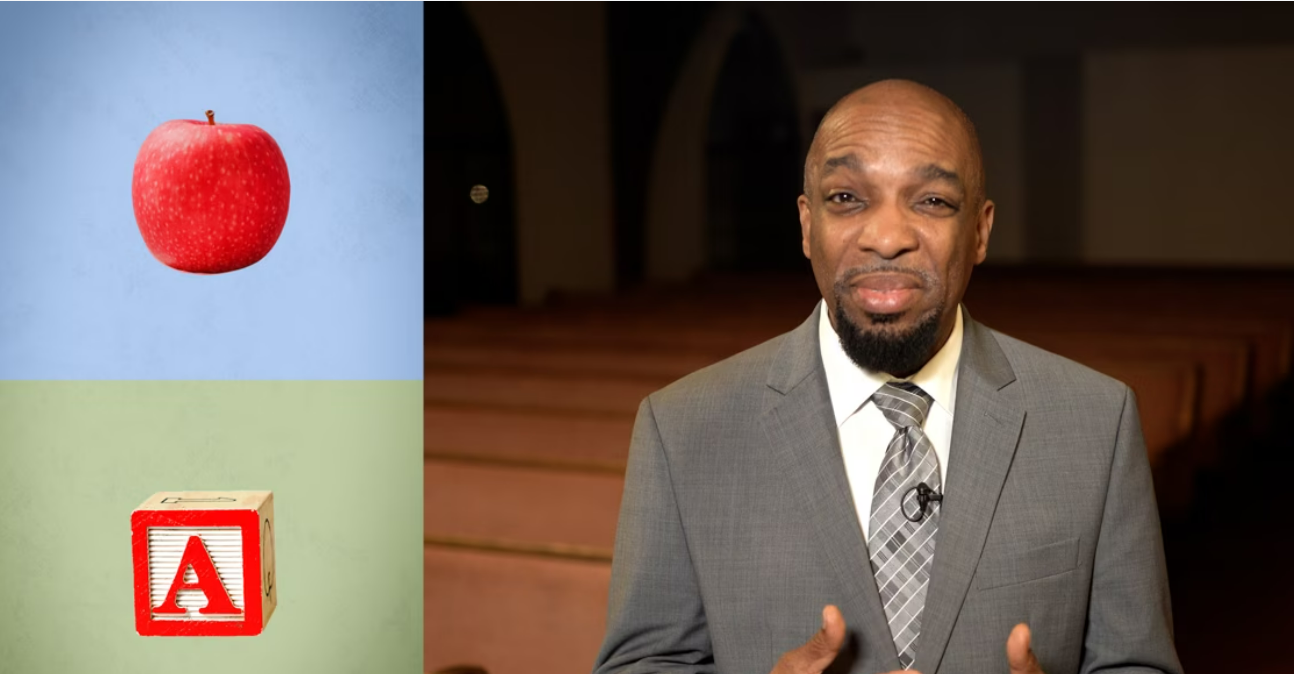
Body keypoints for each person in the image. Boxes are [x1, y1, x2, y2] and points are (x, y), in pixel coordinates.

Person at [592, 80, 1182, 674]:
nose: (887, 237)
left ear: (980, 231)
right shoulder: (683, 429)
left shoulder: (1096, 423)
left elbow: (1139, 663)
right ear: (806, 224)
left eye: (931, 201)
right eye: (847, 196)